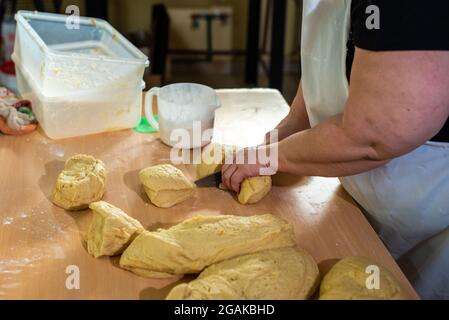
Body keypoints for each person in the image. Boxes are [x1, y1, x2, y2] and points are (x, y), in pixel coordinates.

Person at [221, 0, 449, 299]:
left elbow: (373, 135)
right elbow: (329, 56)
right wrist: (286, 131)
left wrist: (273, 158)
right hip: (369, 202)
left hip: (435, 219)